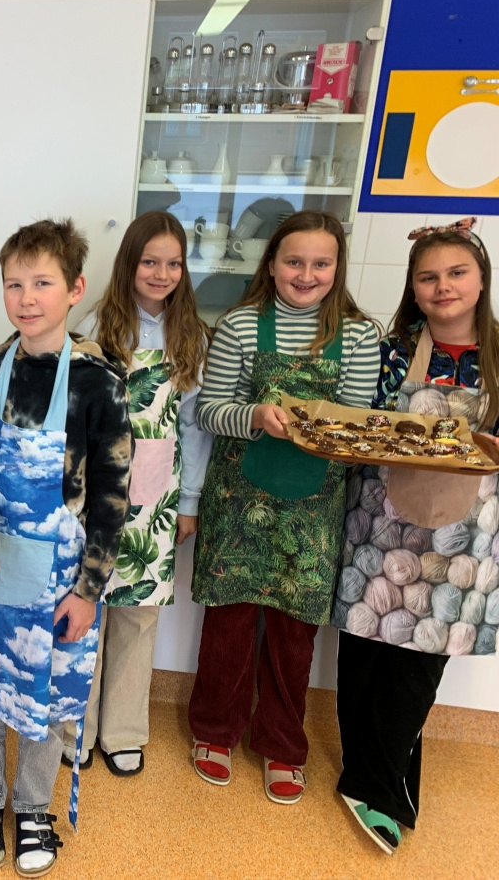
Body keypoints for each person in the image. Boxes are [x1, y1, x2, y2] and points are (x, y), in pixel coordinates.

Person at [0, 219, 132, 876]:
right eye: (14, 284)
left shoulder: (99, 383)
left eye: (42, 283)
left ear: (75, 289)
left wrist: (89, 591)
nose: (27, 297)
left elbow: (113, 496)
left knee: (53, 699)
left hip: (61, 578)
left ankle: (34, 808)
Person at [188, 210, 380, 804]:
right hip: (238, 497)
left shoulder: (360, 336)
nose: (306, 274)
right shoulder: (240, 325)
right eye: (294, 261)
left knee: (295, 633)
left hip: (314, 505)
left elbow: (354, 427)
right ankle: (215, 731)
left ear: (337, 268)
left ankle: (281, 744)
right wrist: (254, 415)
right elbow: (209, 410)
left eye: (321, 263)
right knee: (229, 622)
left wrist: (323, 431)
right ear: (271, 265)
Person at [334, 218, 497, 854]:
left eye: (456, 273)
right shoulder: (394, 351)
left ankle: (377, 785)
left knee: (418, 661)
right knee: (365, 650)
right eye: (428, 277)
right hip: (382, 520)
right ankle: (368, 774)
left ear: (481, 279)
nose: (442, 286)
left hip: (462, 536)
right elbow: (361, 421)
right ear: (413, 286)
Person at [64, 211, 213, 777]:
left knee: (138, 615)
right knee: (88, 608)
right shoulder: (95, 326)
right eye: (150, 261)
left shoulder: (192, 336)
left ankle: (123, 731)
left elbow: (194, 426)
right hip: (99, 495)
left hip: (158, 499)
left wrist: (190, 501)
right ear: (129, 261)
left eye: (173, 263)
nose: (161, 273)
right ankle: (74, 729)